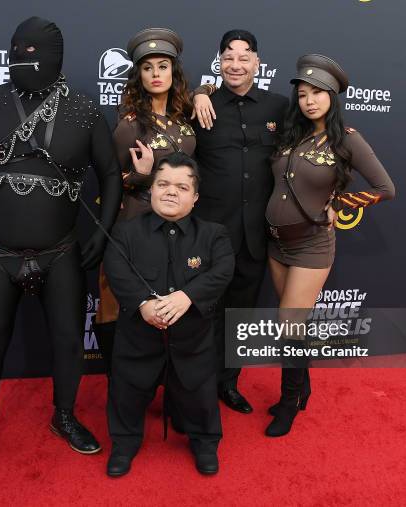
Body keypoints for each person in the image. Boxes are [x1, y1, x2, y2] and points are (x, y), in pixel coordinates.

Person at [0, 17, 121, 479]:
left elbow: (112, 174)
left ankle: (64, 416)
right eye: (18, 50)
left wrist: (103, 230)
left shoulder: (83, 109)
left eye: (34, 51)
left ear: (55, 58)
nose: (24, 58)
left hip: (62, 250)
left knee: (68, 343)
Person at [264, 54, 395, 437]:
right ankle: (301, 387)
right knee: (291, 323)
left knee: (288, 324)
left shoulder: (347, 139)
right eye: (303, 93)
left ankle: (289, 403)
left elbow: (386, 189)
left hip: (311, 246)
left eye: (318, 93)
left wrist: (339, 204)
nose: (309, 100)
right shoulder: (290, 133)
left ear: (333, 97)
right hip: (275, 243)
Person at [102, 152, 235, 477]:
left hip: (193, 340)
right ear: (152, 189)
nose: (171, 192)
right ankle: (124, 442)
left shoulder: (214, 234)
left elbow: (223, 270)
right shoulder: (126, 233)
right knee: (126, 389)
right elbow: (117, 271)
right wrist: (144, 304)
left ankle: (203, 441)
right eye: (163, 184)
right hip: (138, 337)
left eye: (181, 186)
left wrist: (186, 297)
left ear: (195, 196)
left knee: (199, 391)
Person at [95, 27, 216, 371]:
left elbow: (221, 88)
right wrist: (141, 175)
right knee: (125, 301)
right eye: (148, 68)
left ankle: (165, 377)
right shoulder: (130, 125)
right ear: (139, 76)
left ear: (173, 72)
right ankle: (120, 375)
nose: (156, 74)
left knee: (171, 299)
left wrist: (204, 90)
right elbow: (109, 181)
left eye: (163, 66)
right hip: (136, 221)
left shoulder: (185, 116)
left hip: (180, 224)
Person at [192, 30, 289, 414]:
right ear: (219, 61)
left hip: (256, 234)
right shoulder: (200, 104)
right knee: (201, 315)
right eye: (228, 56)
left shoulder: (279, 107)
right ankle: (194, 388)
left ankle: (227, 384)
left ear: (257, 63)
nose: (236, 64)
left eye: (244, 57)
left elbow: (312, 137)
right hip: (208, 235)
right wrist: (201, 90)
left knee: (240, 318)